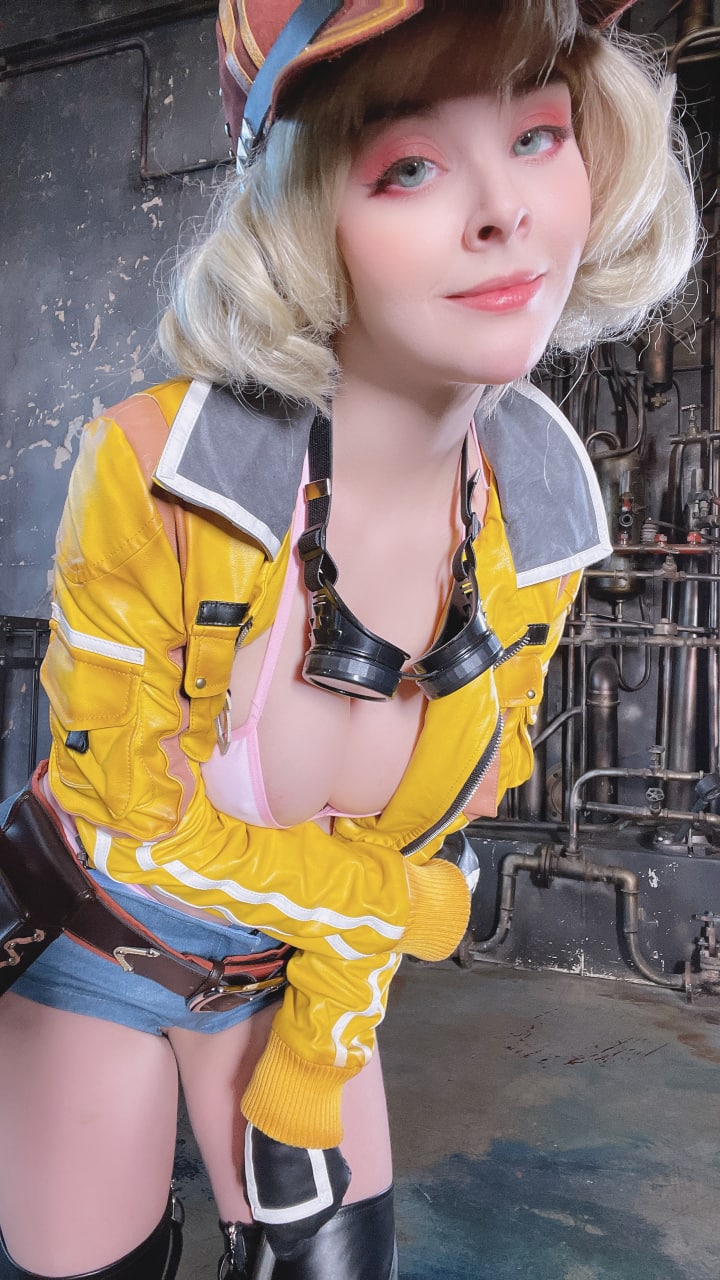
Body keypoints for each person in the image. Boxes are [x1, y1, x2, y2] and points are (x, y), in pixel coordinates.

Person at [0, 1, 698, 1277]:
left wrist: (320, 1039)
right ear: (305, 215)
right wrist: (400, 903)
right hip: (106, 939)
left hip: (314, 972)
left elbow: (457, 804)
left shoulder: (542, 507)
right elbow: (127, 822)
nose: (504, 212)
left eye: (537, 136)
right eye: (412, 166)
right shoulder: (160, 464)